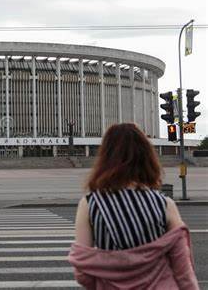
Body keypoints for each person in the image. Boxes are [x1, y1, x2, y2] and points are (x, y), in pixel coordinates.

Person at [68, 123, 199, 289]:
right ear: (146, 157)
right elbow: (183, 270)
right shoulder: (164, 204)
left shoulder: (90, 204)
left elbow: (82, 269)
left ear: (105, 157)